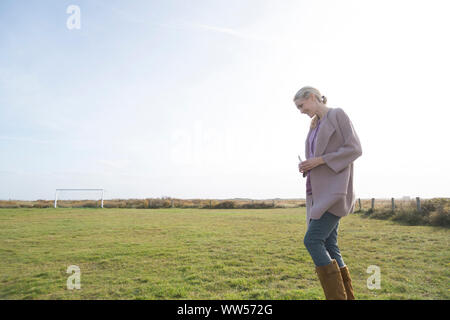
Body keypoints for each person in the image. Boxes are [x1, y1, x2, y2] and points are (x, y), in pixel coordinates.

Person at [293, 86, 362, 300]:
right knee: (330, 244)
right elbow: (316, 158)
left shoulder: (337, 114)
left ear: (312, 97)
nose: (301, 111)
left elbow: (355, 149)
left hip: (334, 192)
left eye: (301, 105)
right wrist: (307, 165)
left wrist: (319, 160)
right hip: (317, 192)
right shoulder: (313, 125)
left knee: (312, 240)